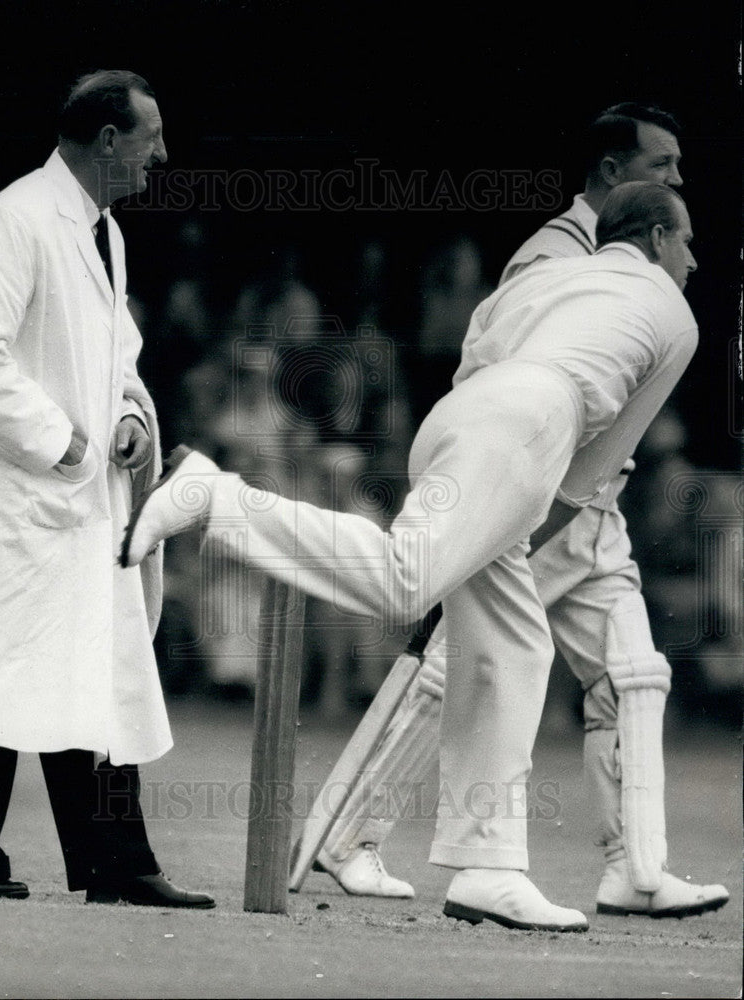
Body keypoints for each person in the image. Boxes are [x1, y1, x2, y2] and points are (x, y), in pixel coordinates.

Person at [122, 181, 700, 931]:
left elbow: (477, 348)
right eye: (688, 244)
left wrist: (482, 507)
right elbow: (593, 476)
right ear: (656, 239)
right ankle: (218, 499)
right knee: (404, 581)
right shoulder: (674, 315)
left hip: (464, 411)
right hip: (534, 425)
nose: (694, 262)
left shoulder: (546, 276)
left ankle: (490, 867)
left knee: (514, 647)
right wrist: (507, 514)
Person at [284, 103, 729, 921]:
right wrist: (492, 507)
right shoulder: (559, 252)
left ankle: (636, 866)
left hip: (592, 495)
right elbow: (495, 365)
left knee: (632, 674)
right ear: (612, 174)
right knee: (467, 664)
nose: (675, 181)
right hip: (543, 485)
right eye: (661, 166)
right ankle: (350, 835)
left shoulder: (617, 258)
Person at [0, 70, 214, 909]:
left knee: (96, 675)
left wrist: (128, 418)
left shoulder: (102, 233)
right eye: (152, 137)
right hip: (13, 500)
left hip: (75, 505)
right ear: (109, 140)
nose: (163, 154)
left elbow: (118, 358)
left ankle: (117, 862)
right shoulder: (14, 220)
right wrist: (68, 445)